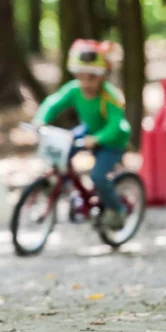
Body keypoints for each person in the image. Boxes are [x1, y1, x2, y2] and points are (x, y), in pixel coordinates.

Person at [34, 39, 131, 230]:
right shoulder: (74, 90)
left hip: (112, 140)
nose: (86, 83)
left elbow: (116, 124)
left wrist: (98, 139)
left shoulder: (110, 96)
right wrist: (40, 119)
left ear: (103, 76)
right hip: (89, 130)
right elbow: (54, 102)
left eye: (92, 78)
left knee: (98, 176)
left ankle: (117, 210)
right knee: (62, 151)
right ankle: (73, 190)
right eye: (81, 76)